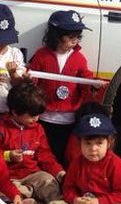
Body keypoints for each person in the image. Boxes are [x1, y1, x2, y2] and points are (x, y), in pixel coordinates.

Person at [28, 9, 105, 161]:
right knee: (44, 151)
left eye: (78, 36)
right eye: (70, 36)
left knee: (65, 153)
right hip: (45, 116)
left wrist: (94, 84)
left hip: (69, 117)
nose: (75, 39)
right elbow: (33, 80)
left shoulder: (79, 58)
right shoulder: (41, 55)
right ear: (56, 36)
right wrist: (28, 78)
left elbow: (85, 79)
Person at [0, 81, 65, 204]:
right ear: (15, 112)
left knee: (48, 181)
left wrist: (60, 173)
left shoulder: (38, 129)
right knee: (4, 189)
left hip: (33, 173)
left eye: (38, 114)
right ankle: (22, 198)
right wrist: (8, 155)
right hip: (9, 176)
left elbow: (45, 155)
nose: (36, 118)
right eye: (32, 115)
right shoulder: (0, 127)